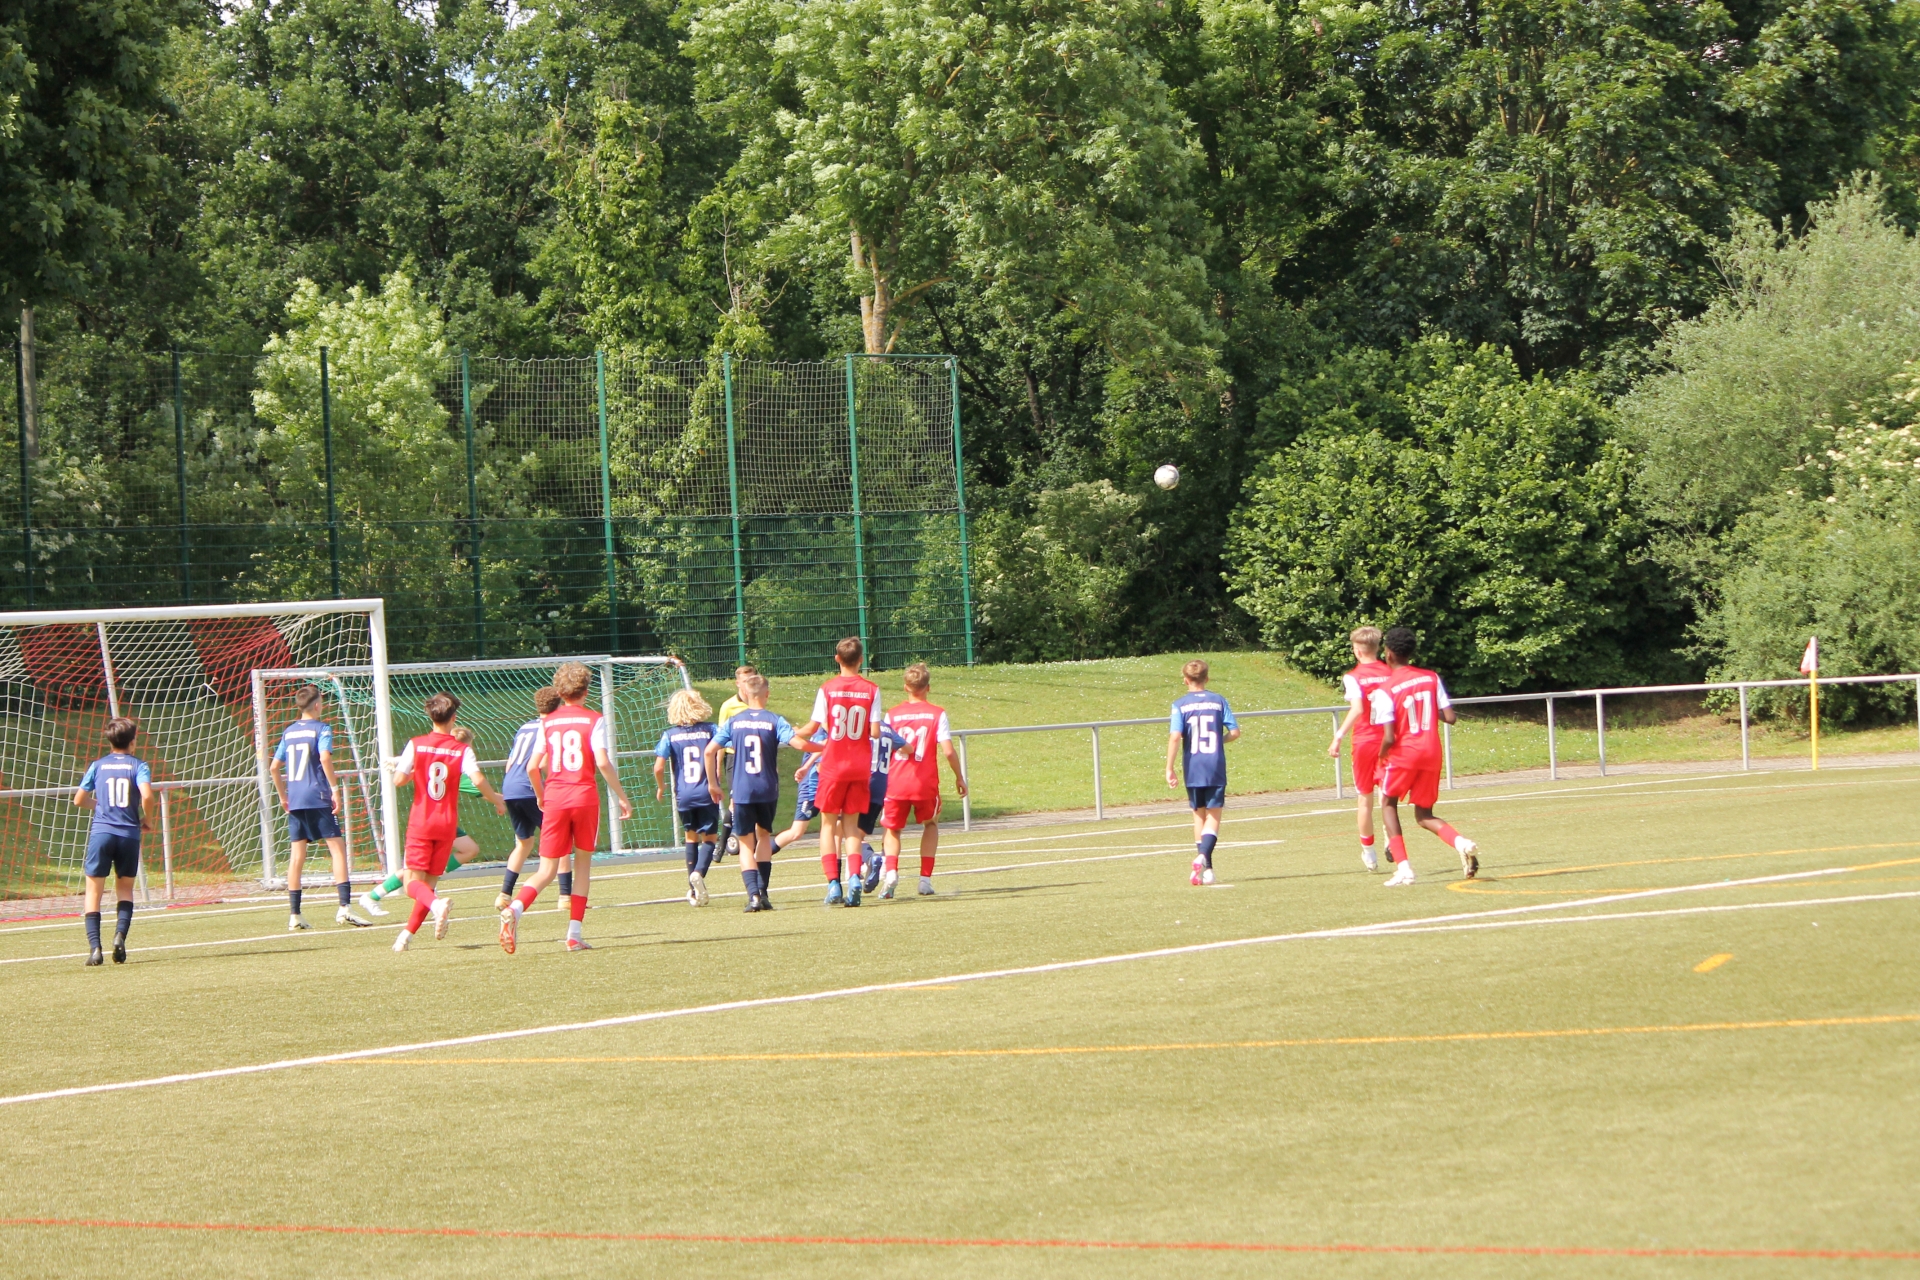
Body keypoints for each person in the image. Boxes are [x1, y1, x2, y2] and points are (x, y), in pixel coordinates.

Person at [498, 662, 634, 953]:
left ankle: (515, 908)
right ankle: (574, 934)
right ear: (586, 691)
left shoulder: (547, 722)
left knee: (546, 869)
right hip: (584, 797)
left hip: (556, 798)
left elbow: (533, 767)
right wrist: (621, 795)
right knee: (582, 864)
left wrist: (541, 796)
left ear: (559, 692)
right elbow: (602, 761)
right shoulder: (594, 719)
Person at [391, 693, 505, 952]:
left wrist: (414, 771)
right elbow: (477, 779)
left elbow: (398, 780)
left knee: (412, 885)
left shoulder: (416, 744)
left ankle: (436, 905)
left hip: (422, 822)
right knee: (429, 885)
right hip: (446, 825)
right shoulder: (462, 749)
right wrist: (496, 800)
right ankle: (405, 937)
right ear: (454, 718)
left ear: (430, 716)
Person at [1368, 626, 1480, 887]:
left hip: (1404, 754)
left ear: (1388, 653)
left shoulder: (1385, 689)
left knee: (1388, 804)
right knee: (1424, 815)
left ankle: (1404, 868)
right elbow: (1450, 717)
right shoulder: (1431, 677)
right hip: (1431, 753)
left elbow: (1389, 737)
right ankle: (1461, 843)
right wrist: (1427, 707)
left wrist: (1381, 756)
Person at [789, 637, 882, 906]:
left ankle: (833, 884)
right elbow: (875, 731)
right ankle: (854, 877)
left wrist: (793, 732)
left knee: (828, 826)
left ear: (837, 659)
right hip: (860, 766)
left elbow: (812, 727)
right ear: (861, 660)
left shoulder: (827, 688)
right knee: (851, 826)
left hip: (833, 765)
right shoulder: (872, 689)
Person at [359, 727, 488, 918]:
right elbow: (482, 791)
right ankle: (374, 896)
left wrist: (402, 762)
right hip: (435, 820)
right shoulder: (454, 767)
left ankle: (426, 891)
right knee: (415, 871)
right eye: (469, 747)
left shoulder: (437, 759)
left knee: (469, 849)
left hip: (439, 819)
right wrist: (508, 799)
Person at [704, 674, 806, 912]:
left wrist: (713, 784)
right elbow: (798, 743)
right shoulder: (774, 719)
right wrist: (824, 746)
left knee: (745, 843)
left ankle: (753, 896)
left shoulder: (734, 721)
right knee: (764, 837)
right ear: (767, 694)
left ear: (746, 694)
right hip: (767, 788)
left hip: (743, 790)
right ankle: (764, 893)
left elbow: (709, 751)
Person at [270, 685, 368, 930]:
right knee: (337, 849)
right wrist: (335, 789)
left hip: (296, 799)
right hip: (318, 795)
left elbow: (274, 767)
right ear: (316, 705)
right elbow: (324, 757)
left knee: (297, 857)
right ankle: (344, 908)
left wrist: (283, 797)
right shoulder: (322, 728)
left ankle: (294, 915)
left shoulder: (289, 732)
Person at [879, 664, 969, 898]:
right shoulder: (937, 714)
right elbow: (948, 750)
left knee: (892, 829)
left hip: (896, 781)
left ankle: (891, 872)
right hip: (924, 783)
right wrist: (959, 777)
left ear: (905, 687)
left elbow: (883, 748)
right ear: (928, 687)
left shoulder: (892, 714)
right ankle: (924, 880)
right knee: (930, 824)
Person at [72, 717, 153, 966]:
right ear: (132, 741)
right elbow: (147, 795)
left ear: (110, 740)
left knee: (93, 891)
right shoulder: (139, 765)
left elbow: (79, 800)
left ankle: (95, 949)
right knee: (125, 889)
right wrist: (147, 818)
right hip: (128, 834)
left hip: (102, 833)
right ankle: (119, 936)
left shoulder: (97, 765)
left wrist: (102, 806)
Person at [1165, 659, 1240, 886]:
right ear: (1207, 678)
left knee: (1198, 815)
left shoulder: (1179, 704)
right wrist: (1219, 740)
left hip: (1193, 766)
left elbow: (1175, 736)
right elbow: (1235, 732)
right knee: (1213, 816)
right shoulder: (1218, 701)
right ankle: (1203, 858)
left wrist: (1169, 768)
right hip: (1214, 765)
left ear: (1185, 680)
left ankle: (1207, 871)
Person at [1327, 627, 1394, 872]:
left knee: (1365, 798)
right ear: (1378, 648)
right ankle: (1391, 839)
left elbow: (1357, 709)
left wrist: (1338, 736)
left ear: (1357, 650)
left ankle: (1369, 852)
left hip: (1365, 741)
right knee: (1386, 796)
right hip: (1389, 740)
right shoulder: (1391, 672)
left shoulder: (1353, 676)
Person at [497, 686, 566, 912]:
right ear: (559, 705)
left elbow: (509, 763)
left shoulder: (525, 727)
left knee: (524, 843)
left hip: (510, 787)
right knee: (562, 841)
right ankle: (566, 897)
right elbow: (542, 763)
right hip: (530, 788)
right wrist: (545, 791)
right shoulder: (552, 727)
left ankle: (504, 894)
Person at [654, 688, 720, 906]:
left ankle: (693, 889)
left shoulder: (670, 735)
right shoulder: (710, 729)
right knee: (709, 838)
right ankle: (698, 873)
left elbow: (658, 767)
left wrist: (661, 786)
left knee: (691, 837)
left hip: (684, 794)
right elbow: (725, 745)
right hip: (707, 791)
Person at [855, 714, 908, 893]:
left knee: (849, 833)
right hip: (880, 787)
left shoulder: (862, 726)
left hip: (861, 783)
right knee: (860, 831)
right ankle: (866, 865)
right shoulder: (887, 728)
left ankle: (869, 859)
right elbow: (908, 747)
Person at [712, 665, 758, 861]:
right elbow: (720, 738)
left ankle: (754, 844)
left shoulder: (758, 702)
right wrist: (717, 766)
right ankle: (721, 844)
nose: (749, 685)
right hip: (735, 759)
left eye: (752, 680)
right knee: (735, 801)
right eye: (745, 681)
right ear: (738, 683)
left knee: (756, 799)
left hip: (755, 758)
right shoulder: (729, 706)